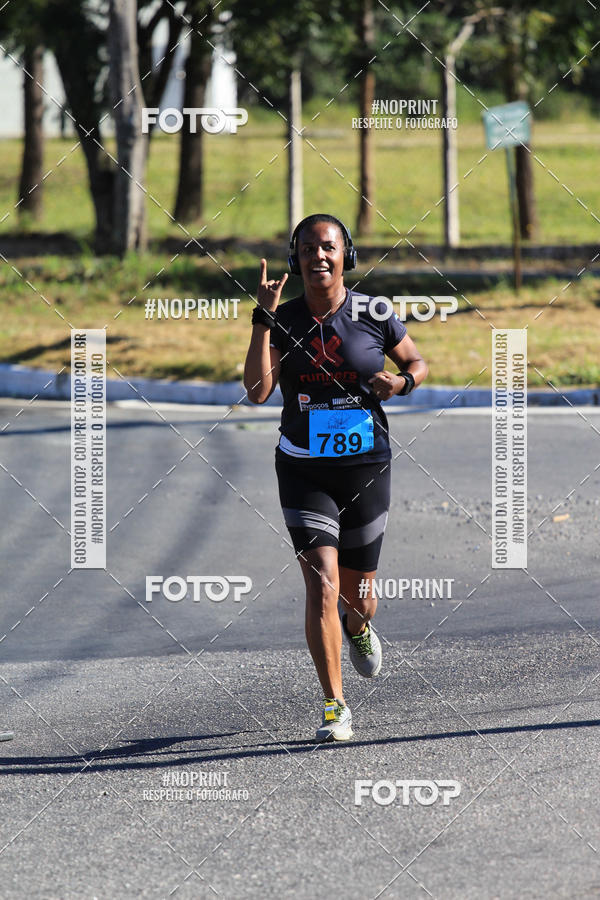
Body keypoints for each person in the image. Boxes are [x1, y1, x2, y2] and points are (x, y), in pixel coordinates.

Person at [243, 213, 428, 742]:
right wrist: (262, 318)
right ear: (294, 259)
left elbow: (417, 361)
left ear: (346, 255)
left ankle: (358, 625)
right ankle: (334, 706)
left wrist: (402, 383)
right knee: (321, 583)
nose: (317, 257)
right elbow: (257, 391)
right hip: (303, 466)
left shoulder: (374, 311)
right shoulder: (282, 317)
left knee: (358, 596)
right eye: (306, 249)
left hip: (365, 467)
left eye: (327, 247)